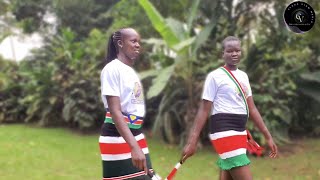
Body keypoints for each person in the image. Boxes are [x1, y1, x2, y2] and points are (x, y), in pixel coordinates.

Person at [181, 36, 278, 180]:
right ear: (223, 54)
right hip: (224, 130)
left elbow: (252, 109)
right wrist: (192, 141)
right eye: (230, 51)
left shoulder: (243, 76)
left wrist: (268, 136)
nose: (234, 54)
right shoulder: (215, 76)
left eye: (237, 50)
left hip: (240, 131)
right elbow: (204, 110)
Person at [99, 28, 157, 180]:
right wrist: (134, 147)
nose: (138, 45)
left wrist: (136, 144)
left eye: (139, 42)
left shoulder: (130, 71)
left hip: (135, 134)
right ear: (120, 43)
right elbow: (115, 111)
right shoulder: (112, 69)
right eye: (133, 41)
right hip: (117, 136)